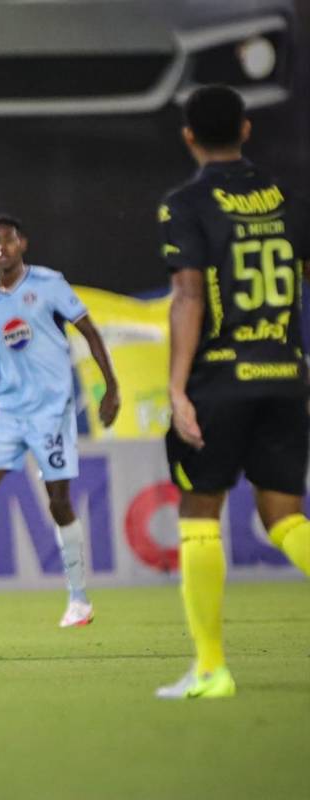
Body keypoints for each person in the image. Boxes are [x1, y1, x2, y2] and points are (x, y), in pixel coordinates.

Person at [155, 85, 310, 699]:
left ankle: (211, 668)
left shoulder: (187, 203)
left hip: (221, 378)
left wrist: (177, 388)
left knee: (200, 513)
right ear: (246, 129)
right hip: (285, 375)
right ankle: (209, 669)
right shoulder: (288, 199)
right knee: (286, 517)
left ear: (189, 136)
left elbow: (189, 294)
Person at [0, 215, 120, 629]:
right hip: (9, 408)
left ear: (23, 244)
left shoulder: (49, 284)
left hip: (51, 409)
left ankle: (79, 599)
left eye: (8, 240)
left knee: (58, 500)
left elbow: (89, 332)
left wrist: (111, 387)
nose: (2, 247)